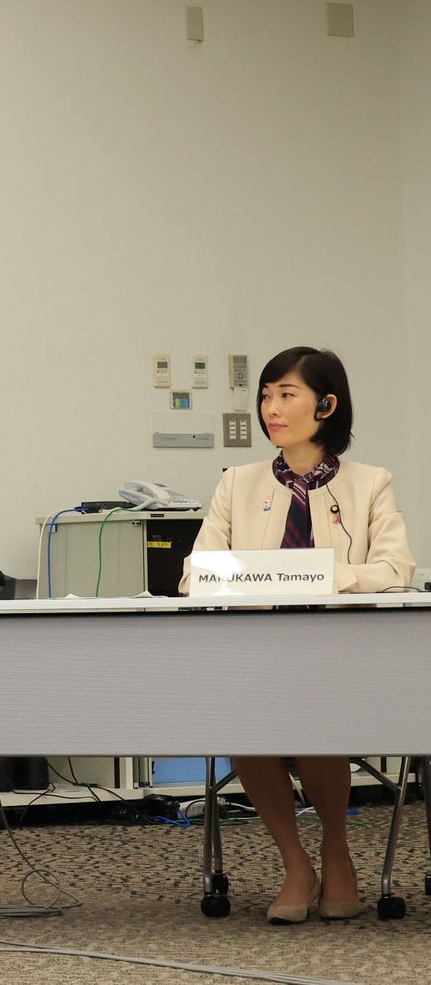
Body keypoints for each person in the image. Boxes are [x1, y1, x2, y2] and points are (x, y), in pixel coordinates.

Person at [181, 346, 412, 924]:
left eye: (287, 395)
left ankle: (337, 849)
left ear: (327, 405)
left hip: (340, 658)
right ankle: (295, 862)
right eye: (265, 395)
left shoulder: (370, 483)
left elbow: (395, 570)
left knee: (313, 712)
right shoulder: (237, 483)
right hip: (255, 657)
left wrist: (326, 575)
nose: (271, 409)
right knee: (248, 717)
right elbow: (195, 571)